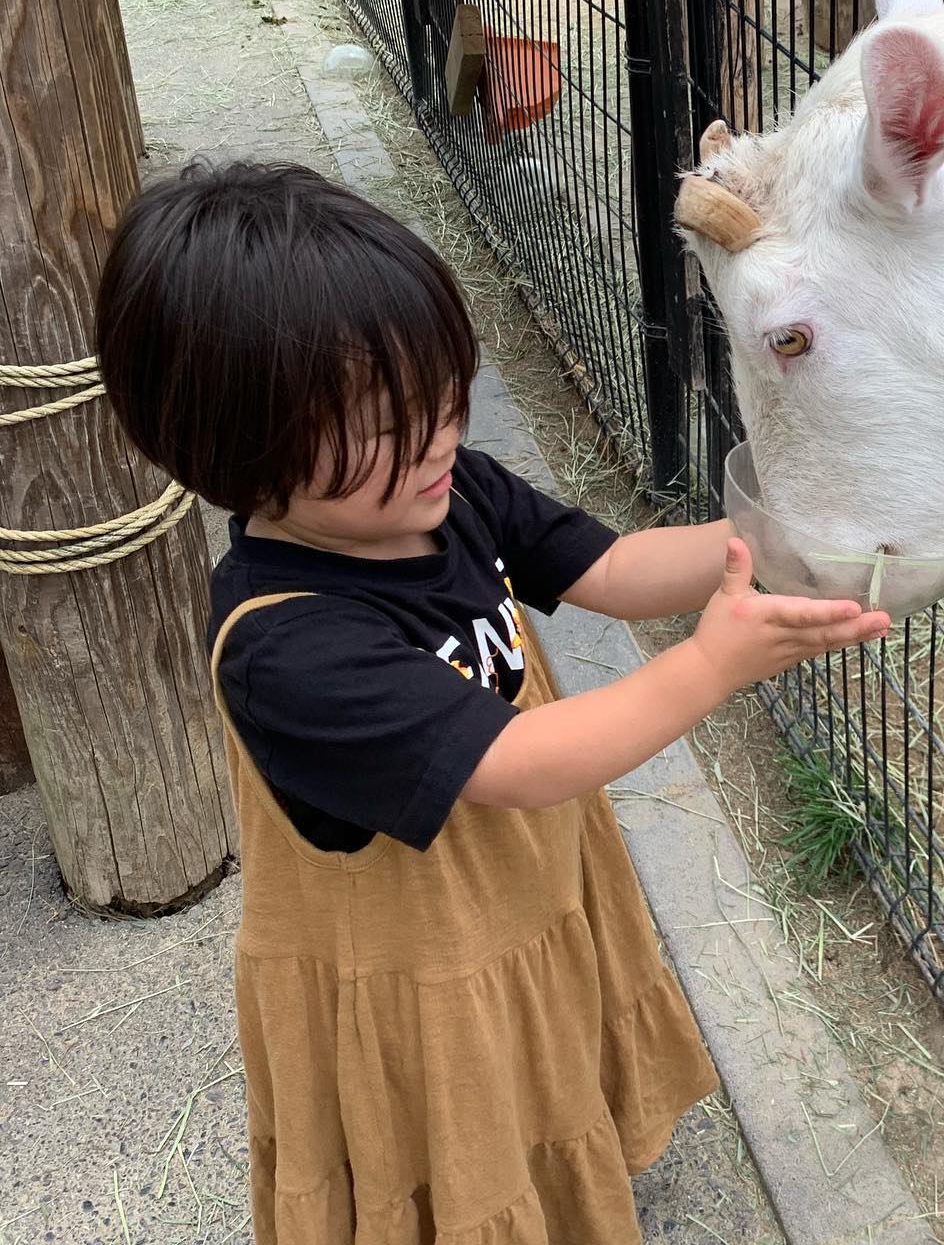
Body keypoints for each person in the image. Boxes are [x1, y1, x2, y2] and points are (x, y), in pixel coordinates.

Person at [95, 160, 890, 1245]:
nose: (433, 434)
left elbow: (610, 570)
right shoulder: (286, 645)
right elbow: (524, 763)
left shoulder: (446, 488)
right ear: (235, 444)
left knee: (546, 1058)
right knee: (464, 1139)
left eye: (439, 390)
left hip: (523, 880)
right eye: (382, 420)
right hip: (424, 954)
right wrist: (712, 665)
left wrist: (787, 541)